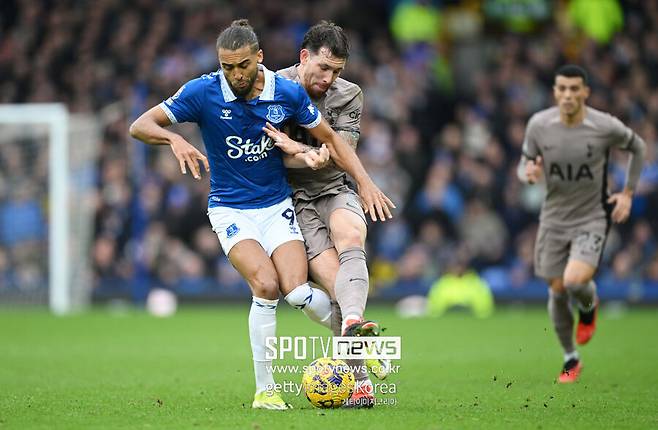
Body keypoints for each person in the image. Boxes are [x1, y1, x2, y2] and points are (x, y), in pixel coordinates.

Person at [129, 19, 394, 410]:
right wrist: (173, 138)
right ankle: (265, 390)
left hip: (277, 207)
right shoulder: (203, 91)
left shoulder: (285, 92)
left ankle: (355, 343)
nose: (235, 74)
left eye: (243, 65)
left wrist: (347, 172)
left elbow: (331, 138)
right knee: (266, 286)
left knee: (301, 293)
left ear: (260, 58)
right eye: (227, 66)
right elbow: (140, 125)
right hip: (231, 209)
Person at [262, 21, 392, 408]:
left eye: (336, 70)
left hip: (334, 188)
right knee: (338, 287)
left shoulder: (348, 95)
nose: (328, 78)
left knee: (352, 234)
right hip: (292, 199)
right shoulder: (270, 88)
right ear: (304, 57)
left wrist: (357, 178)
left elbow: (341, 147)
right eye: (323, 68)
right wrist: (301, 153)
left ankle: (354, 325)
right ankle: (362, 376)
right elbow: (265, 154)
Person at [517, 65, 646, 383]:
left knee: (574, 281)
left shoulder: (603, 125)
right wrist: (528, 174)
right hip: (553, 218)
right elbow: (524, 164)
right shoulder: (539, 124)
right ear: (555, 92)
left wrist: (627, 193)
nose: (568, 95)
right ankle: (570, 358)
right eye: (562, 88)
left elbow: (638, 147)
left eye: (575, 89)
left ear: (585, 92)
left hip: (592, 215)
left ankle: (589, 306)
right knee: (557, 289)